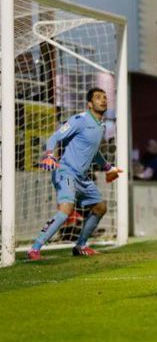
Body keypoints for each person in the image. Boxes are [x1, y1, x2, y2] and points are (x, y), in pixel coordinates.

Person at [27, 88, 123, 260]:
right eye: (98, 98)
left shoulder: (100, 126)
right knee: (66, 210)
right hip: (66, 172)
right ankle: (35, 248)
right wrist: (49, 155)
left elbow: (94, 152)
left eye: (105, 97)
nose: (103, 100)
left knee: (100, 207)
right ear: (89, 104)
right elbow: (54, 137)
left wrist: (108, 167)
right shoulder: (80, 120)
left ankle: (81, 246)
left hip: (82, 178)